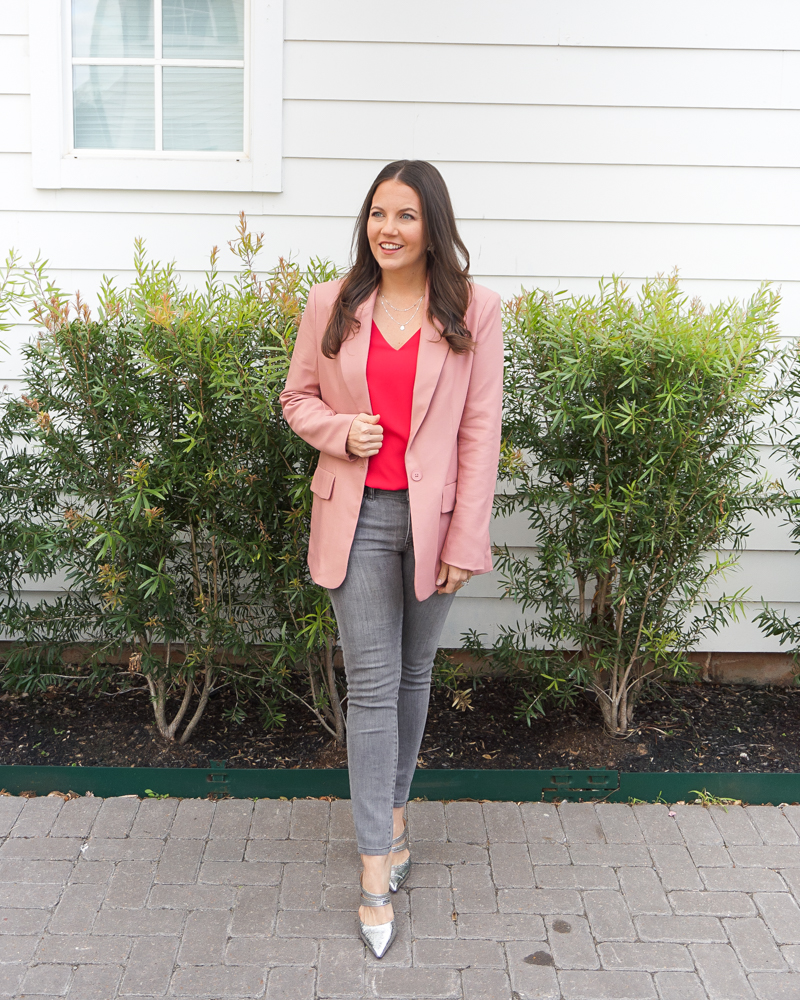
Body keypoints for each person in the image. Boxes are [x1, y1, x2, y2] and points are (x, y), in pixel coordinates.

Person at [279, 159, 503, 958]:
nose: (388, 228)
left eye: (406, 215)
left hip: (435, 523)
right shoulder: (330, 303)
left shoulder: (474, 308)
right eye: (378, 213)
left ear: (431, 225)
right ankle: (376, 867)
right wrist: (343, 433)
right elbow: (296, 396)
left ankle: (397, 818)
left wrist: (467, 539)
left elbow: (480, 431)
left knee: (415, 677)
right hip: (359, 517)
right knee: (374, 688)